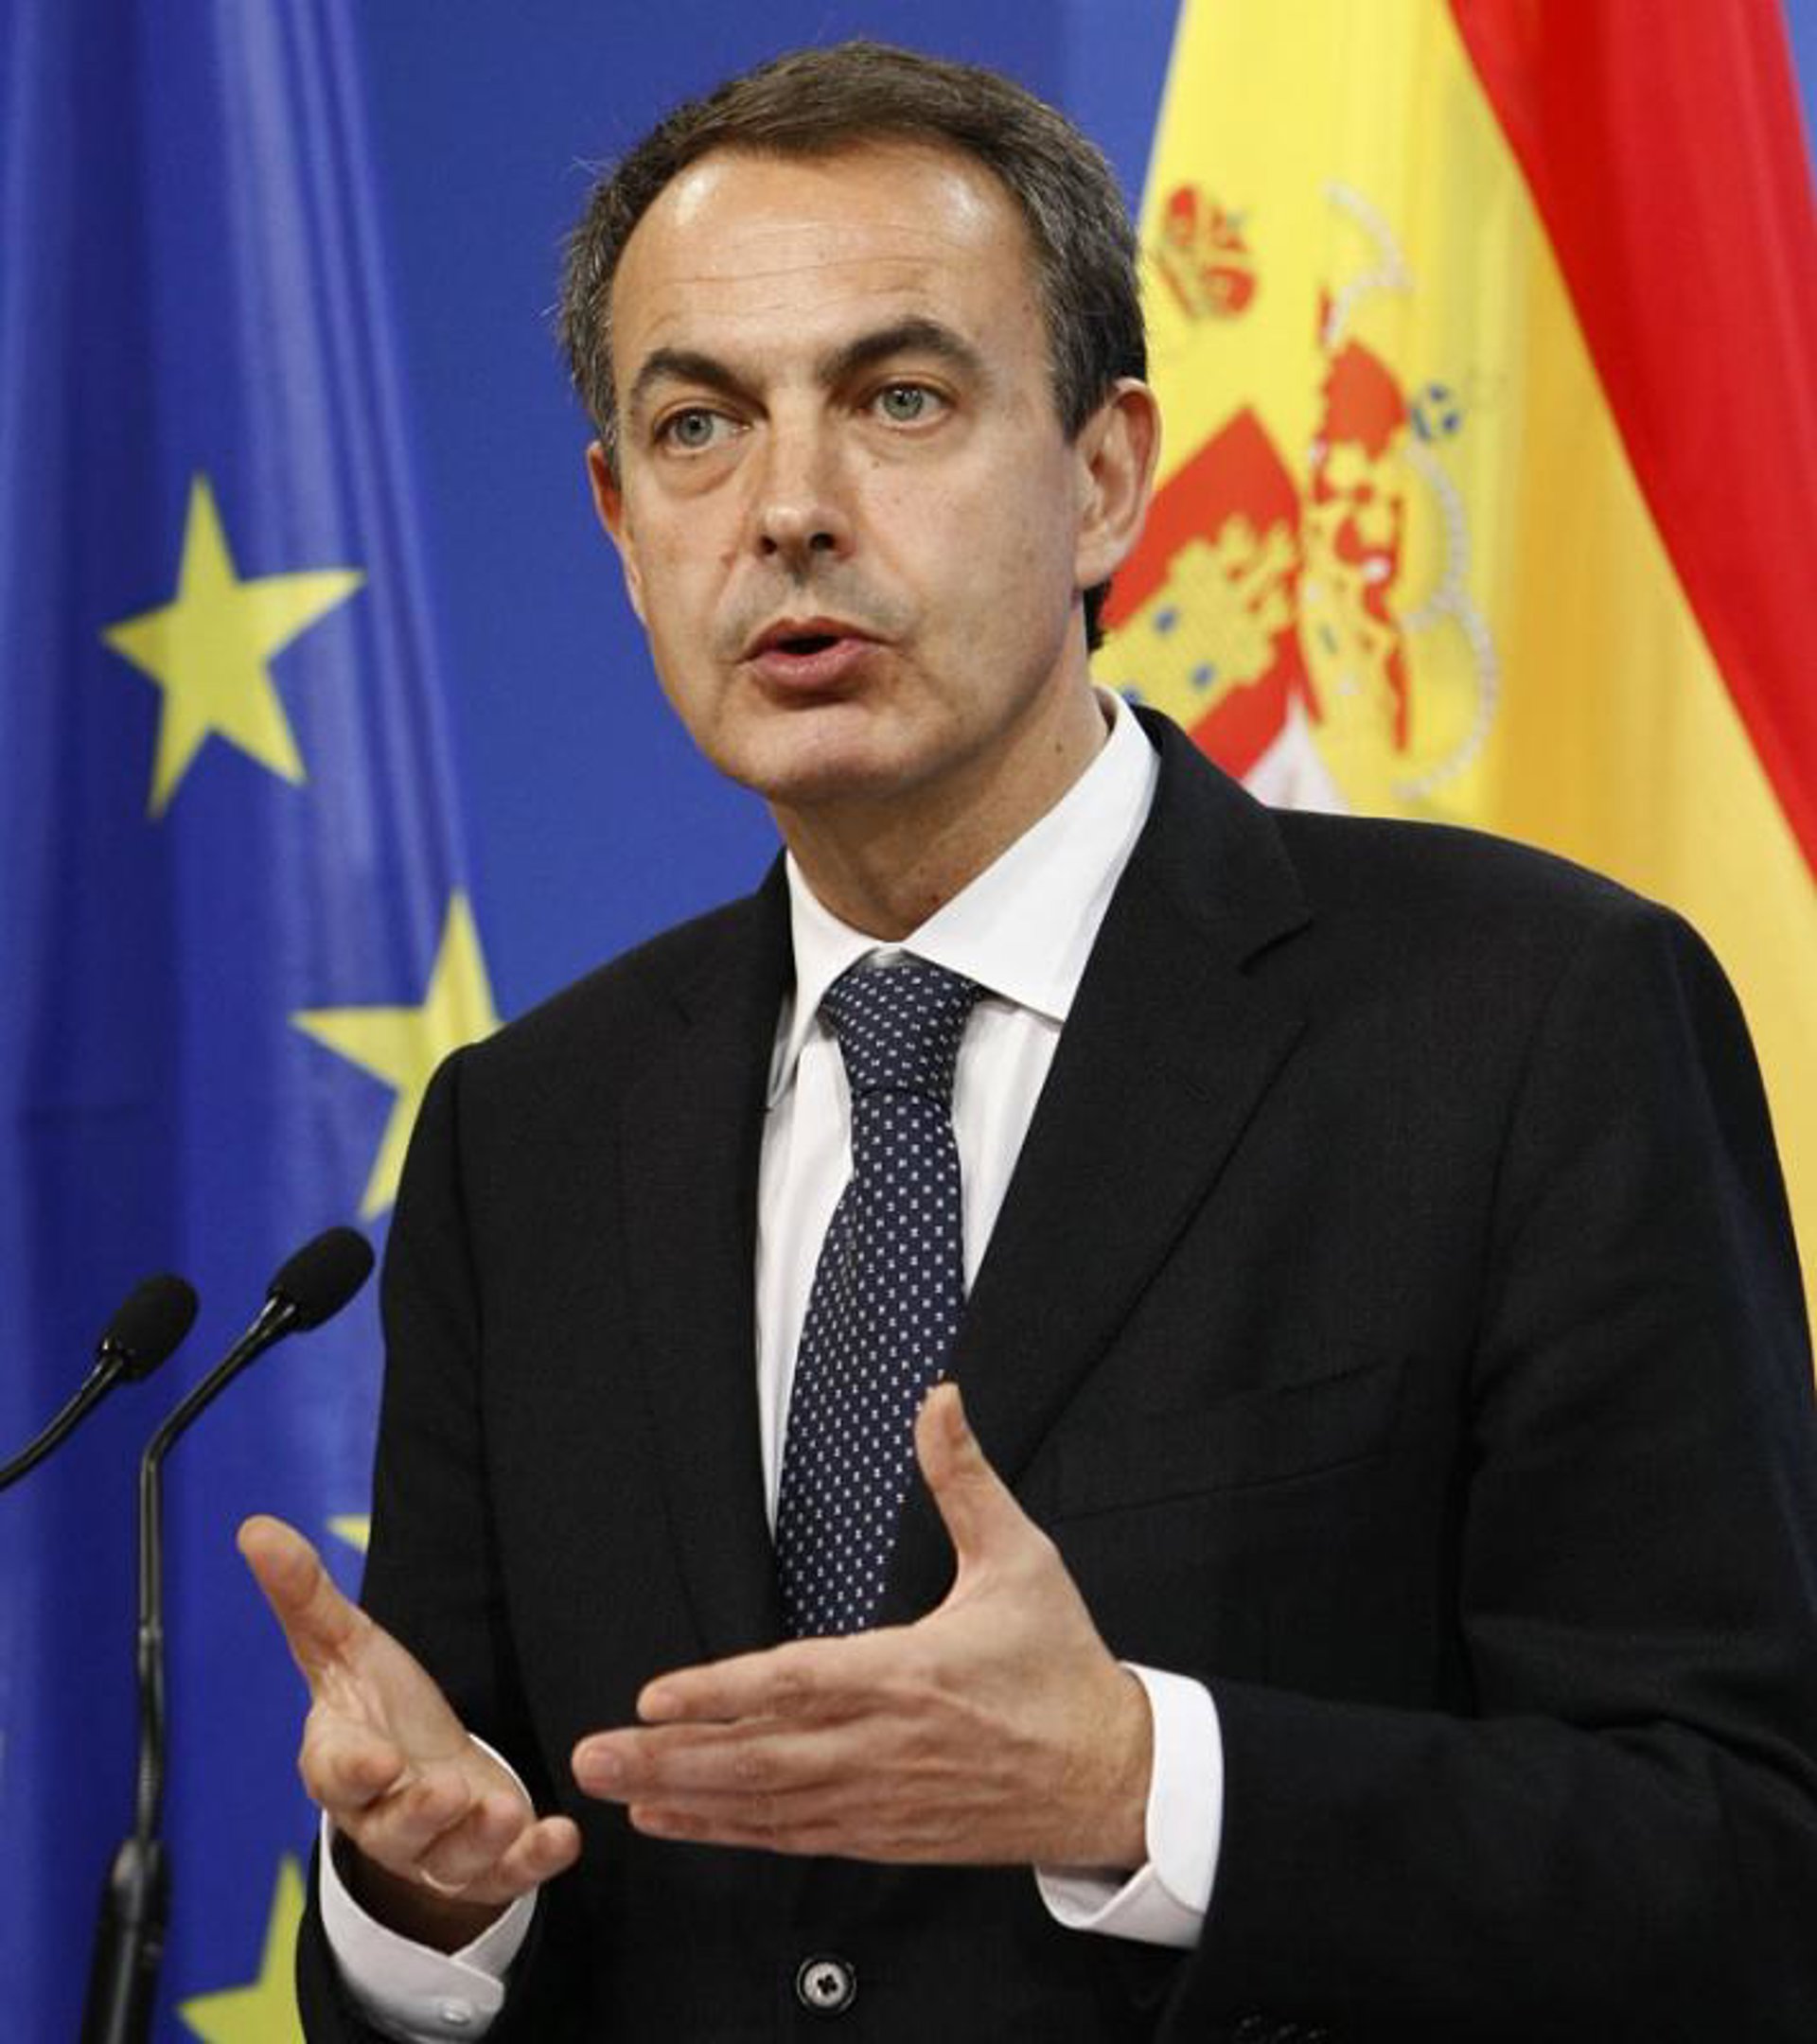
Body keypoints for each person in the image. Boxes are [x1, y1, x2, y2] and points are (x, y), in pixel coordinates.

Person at [239, 41, 1817, 2043]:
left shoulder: (1527, 1022)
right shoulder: (526, 1133)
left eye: (899, 400)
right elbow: (498, 1883)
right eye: (699, 427)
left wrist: (1145, 1784)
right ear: (620, 525)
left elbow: (1745, 1865)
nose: (789, 511)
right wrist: (421, 1907)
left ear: (1104, 476)